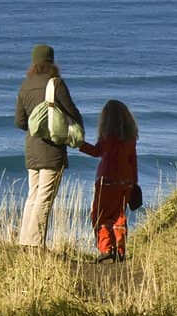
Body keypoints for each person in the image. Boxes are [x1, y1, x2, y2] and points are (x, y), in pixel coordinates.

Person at [13, 43, 83, 248]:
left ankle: (24, 242)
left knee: (33, 195)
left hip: (32, 149)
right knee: (44, 198)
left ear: (34, 63)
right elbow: (72, 112)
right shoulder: (56, 84)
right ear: (52, 62)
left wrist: (37, 126)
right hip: (52, 150)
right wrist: (76, 129)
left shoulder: (25, 86)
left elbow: (19, 122)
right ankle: (34, 245)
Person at [80, 99, 140, 262]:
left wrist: (79, 144)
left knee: (100, 216)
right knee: (119, 215)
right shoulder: (131, 139)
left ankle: (107, 249)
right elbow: (132, 162)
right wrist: (134, 183)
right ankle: (120, 249)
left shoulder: (106, 138)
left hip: (106, 182)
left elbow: (95, 152)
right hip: (125, 182)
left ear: (106, 120)